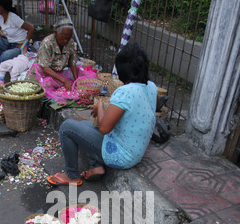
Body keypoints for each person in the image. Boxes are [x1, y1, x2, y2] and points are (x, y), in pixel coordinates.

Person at [47, 43, 159, 186]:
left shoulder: (125, 92)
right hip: (136, 152)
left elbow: (104, 129)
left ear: (123, 71)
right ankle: (96, 166)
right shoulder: (152, 87)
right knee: (83, 126)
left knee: (67, 127)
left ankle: (71, 176)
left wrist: (100, 106)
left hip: (120, 156)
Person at [0, 0, 34, 78]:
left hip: (20, 46)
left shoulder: (13, 17)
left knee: (6, 55)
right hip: (9, 44)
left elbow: (31, 29)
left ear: (2, 7)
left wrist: (24, 44)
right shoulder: (0, 18)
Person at [26, 18, 79, 92]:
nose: (65, 41)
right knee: (36, 92)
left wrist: (77, 81)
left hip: (56, 75)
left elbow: (72, 62)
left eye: (68, 38)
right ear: (56, 32)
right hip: (40, 75)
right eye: (63, 38)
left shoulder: (71, 43)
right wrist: (64, 81)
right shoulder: (47, 43)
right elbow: (45, 68)